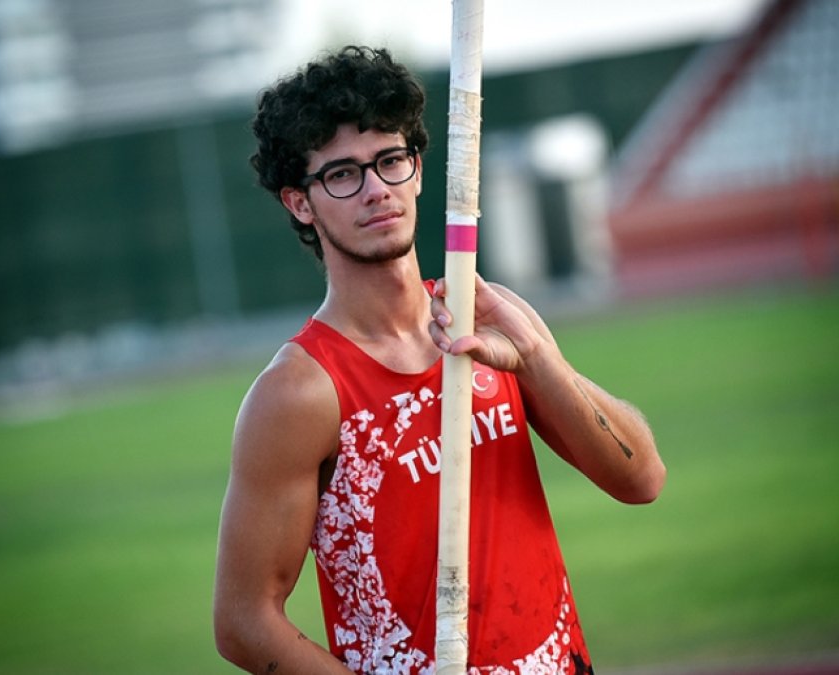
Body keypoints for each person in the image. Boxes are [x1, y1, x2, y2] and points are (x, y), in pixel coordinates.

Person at [213, 46, 665, 674]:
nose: (376, 190)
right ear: (300, 202)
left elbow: (641, 479)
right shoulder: (299, 392)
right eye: (342, 174)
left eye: (390, 161)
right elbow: (243, 621)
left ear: (419, 170)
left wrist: (537, 360)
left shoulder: (488, 321)